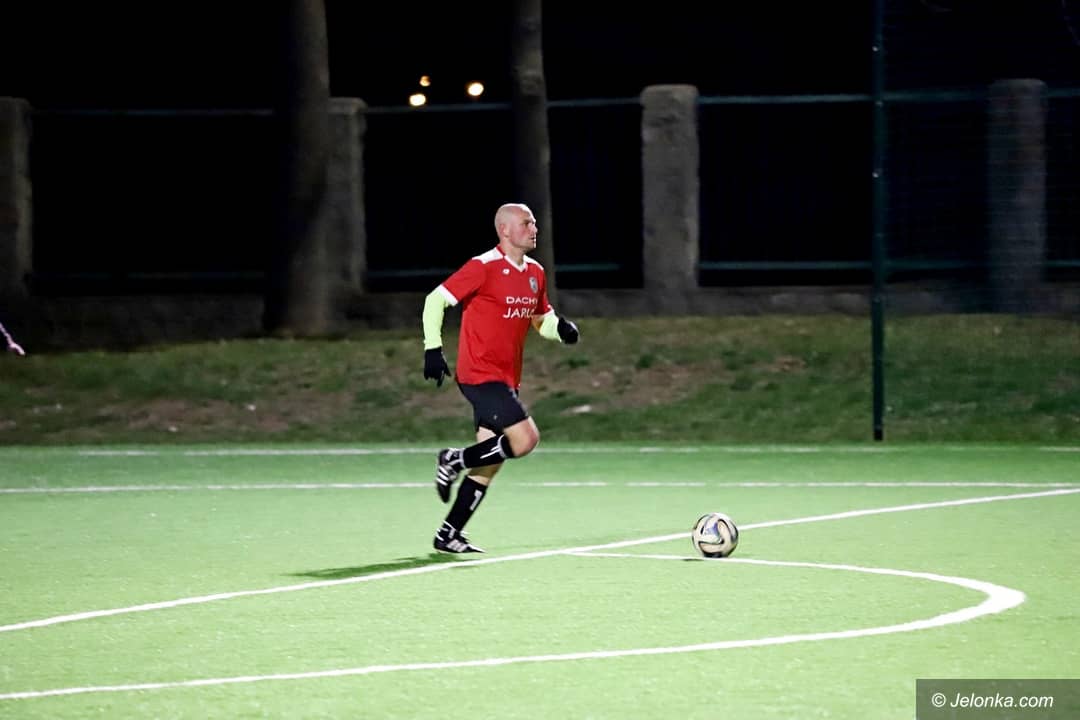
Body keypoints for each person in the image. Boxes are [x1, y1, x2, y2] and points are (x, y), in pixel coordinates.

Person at [421, 202, 579, 554]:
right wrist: (433, 348)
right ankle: (453, 459)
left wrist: (561, 329)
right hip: (479, 374)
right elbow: (435, 301)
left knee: (489, 461)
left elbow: (541, 319)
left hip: (507, 379)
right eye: (526, 223)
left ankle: (448, 534)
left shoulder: (536, 272)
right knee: (525, 440)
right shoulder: (483, 267)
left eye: (534, 223)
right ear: (504, 230)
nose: (534, 229)